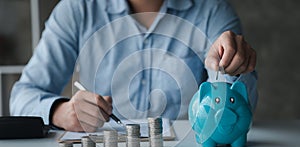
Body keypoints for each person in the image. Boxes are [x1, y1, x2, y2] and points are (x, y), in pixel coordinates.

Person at [10, 0, 257, 132]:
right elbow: (23, 96)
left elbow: (235, 107)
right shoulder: (76, 9)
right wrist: (60, 112)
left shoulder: (213, 11)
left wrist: (233, 68)